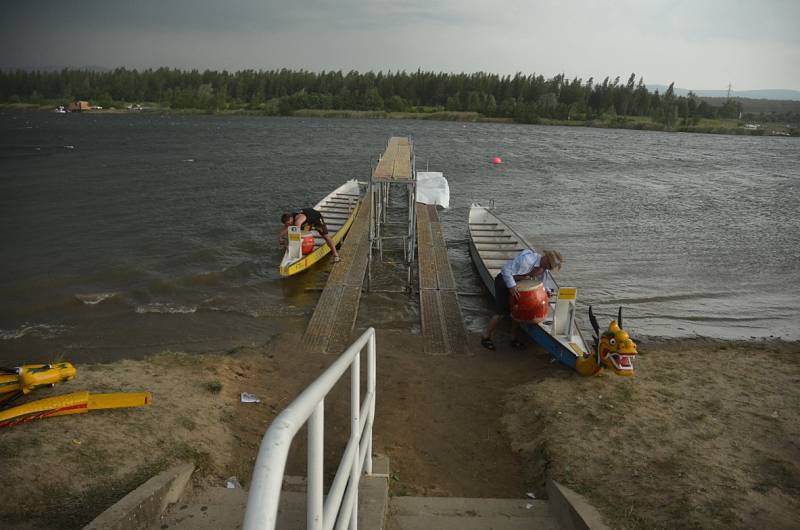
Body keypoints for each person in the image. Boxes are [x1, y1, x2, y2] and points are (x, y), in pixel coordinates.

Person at [480, 249, 562, 351]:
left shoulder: (543, 269)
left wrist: (547, 291)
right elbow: (505, 270)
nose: (549, 268)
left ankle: (513, 338)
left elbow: (543, 283)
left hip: (518, 285)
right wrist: (511, 286)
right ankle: (485, 336)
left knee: (517, 312)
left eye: (550, 267)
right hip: (504, 281)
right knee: (501, 312)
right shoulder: (527, 260)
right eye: (549, 266)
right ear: (546, 259)